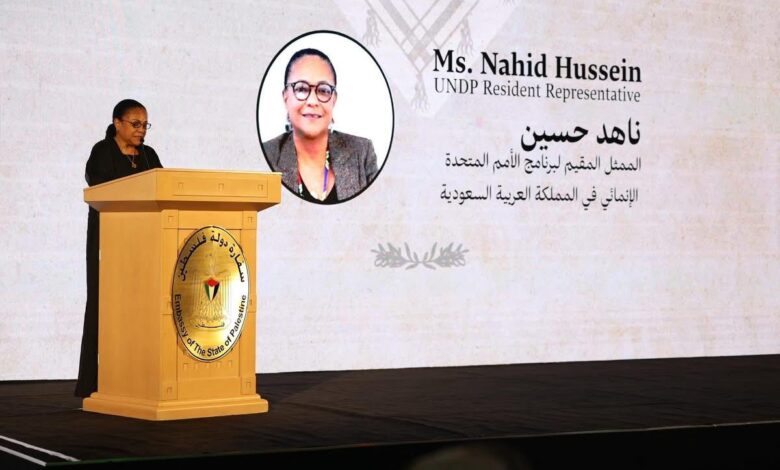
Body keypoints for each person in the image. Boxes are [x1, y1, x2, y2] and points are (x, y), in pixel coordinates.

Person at [75, 99, 163, 398]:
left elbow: (163, 187)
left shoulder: (149, 155)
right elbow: (99, 189)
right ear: (117, 123)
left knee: (141, 307)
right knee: (105, 306)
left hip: (145, 242)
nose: (142, 130)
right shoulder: (102, 151)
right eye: (136, 124)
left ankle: (137, 378)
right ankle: (97, 382)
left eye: (145, 125)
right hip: (109, 241)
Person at [263, 48, 378, 203]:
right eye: (301, 89)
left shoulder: (362, 153)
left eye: (323, 90)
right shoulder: (267, 156)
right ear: (285, 98)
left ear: (334, 100)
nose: (313, 101)